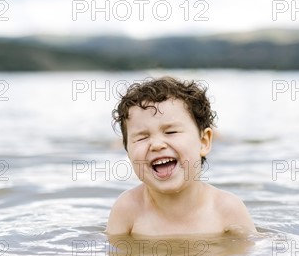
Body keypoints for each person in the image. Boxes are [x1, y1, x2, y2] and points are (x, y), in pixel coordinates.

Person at [106, 76, 257, 236]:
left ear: (204, 142)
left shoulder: (226, 209)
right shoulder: (127, 209)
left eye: (171, 132)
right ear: (128, 153)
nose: (157, 144)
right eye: (142, 137)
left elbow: (250, 255)